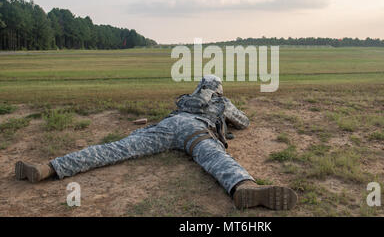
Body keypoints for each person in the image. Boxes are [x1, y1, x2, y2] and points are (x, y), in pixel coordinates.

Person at [15, 75, 297, 210]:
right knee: (216, 157)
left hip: (166, 127)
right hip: (195, 132)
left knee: (114, 150)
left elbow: (173, 115)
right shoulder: (222, 101)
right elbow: (243, 122)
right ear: (218, 89)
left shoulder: (187, 98)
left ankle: (48, 168)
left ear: (200, 87)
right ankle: (242, 186)